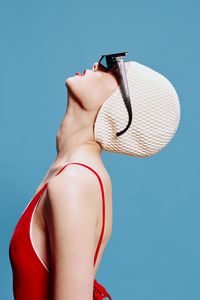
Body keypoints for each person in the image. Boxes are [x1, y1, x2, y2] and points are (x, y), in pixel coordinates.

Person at [9, 52, 180, 300]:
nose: (98, 65)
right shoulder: (70, 172)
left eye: (113, 68)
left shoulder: (74, 182)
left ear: (123, 106)